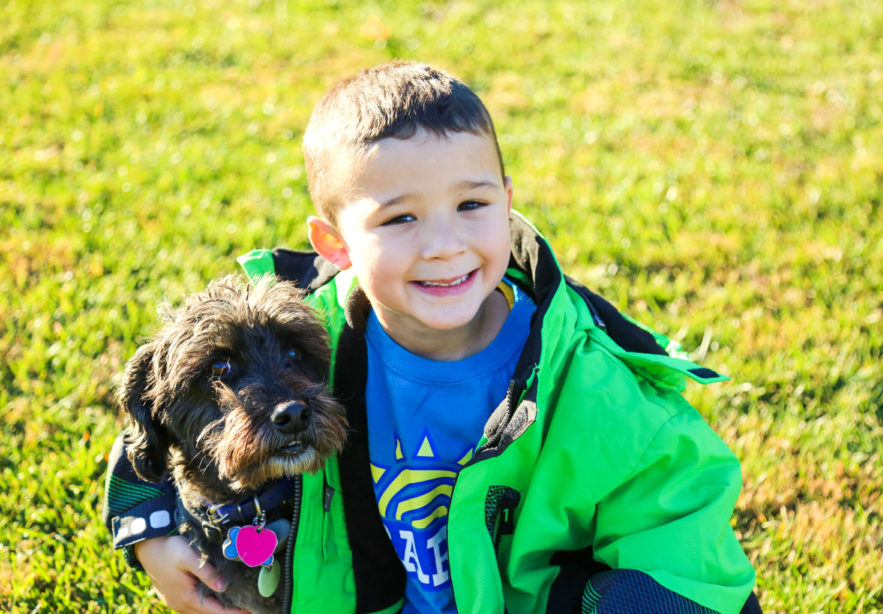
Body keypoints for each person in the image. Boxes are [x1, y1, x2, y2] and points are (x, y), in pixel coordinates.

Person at [104, 61, 760, 614]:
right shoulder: (305, 337)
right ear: (337, 247)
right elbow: (167, 404)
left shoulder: (584, 380)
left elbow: (680, 527)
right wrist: (148, 529)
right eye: (401, 218)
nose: (444, 246)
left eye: (471, 206)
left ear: (507, 203)